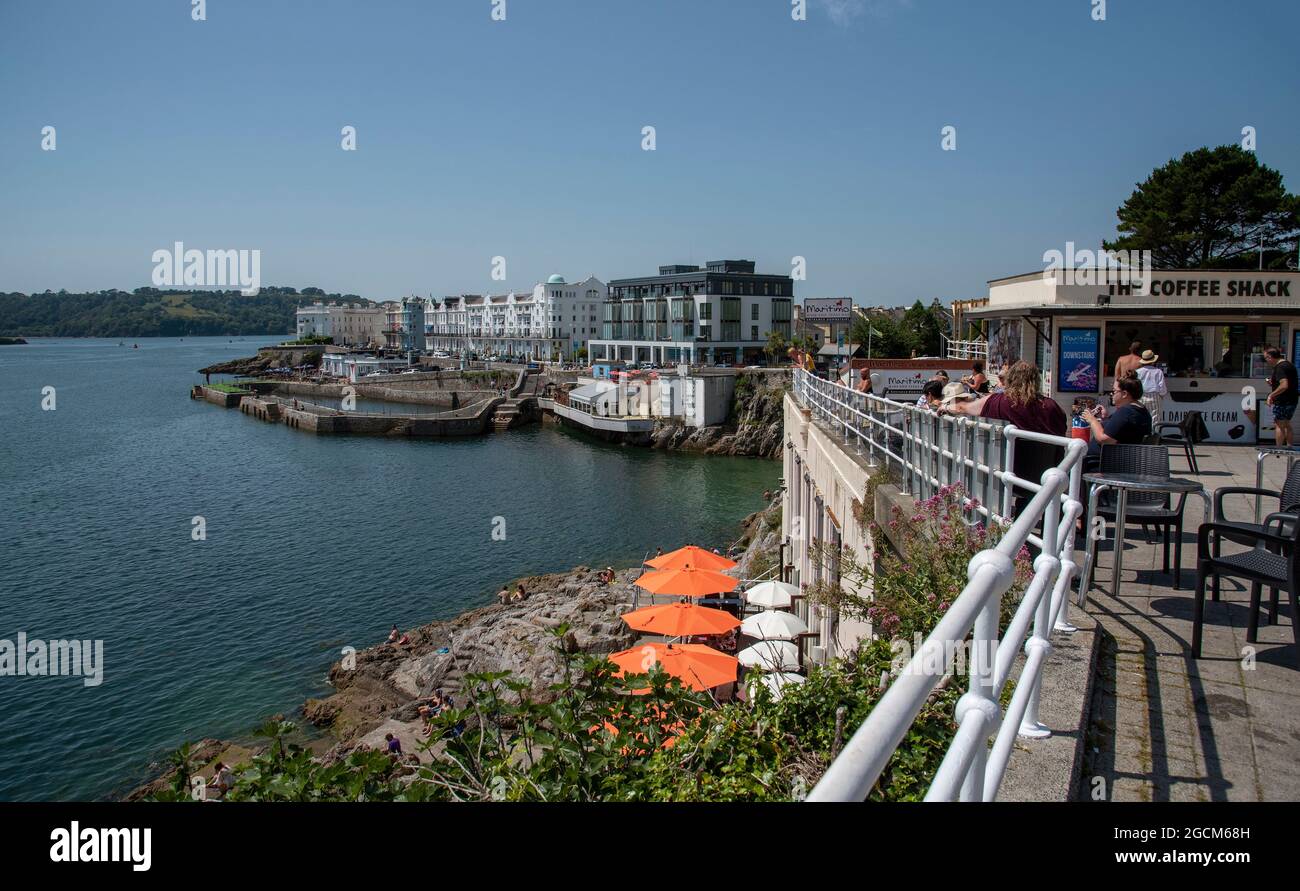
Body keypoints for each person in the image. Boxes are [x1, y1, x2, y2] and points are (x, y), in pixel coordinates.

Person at [945, 361, 1066, 517]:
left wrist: (945, 407)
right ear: (1036, 381)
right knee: (1033, 494)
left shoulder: (998, 401)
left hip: (1007, 469)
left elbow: (963, 408)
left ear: (1010, 379)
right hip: (1044, 473)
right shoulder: (1051, 406)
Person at [1081, 375, 1152, 471]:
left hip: (1102, 464)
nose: (1111, 394)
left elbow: (1104, 440)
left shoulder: (1126, 412)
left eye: (1114, 391)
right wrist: (1104, 419)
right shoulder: (1140, 410)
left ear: (1124, 394)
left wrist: (1092, 420)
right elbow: (1119, 432)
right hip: (1121, 462)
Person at [1266, 347, 1298, 449]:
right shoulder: (1289, 365)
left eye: (1266, 358)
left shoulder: (1279, 367)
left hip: (1283, 401)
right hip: (1292, 400)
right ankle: (1289, 447)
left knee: (1279, 424)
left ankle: (1278, 448)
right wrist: (1273, 382)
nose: (1266, 360)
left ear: (1270, 357)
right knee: (1287, 423)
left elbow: (1284, 385)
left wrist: (1271, 395)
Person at [1135, 350, 1167, 426]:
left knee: (1141, 418)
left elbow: (1135, 385)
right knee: (1155, 420)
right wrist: (1161, 395)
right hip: (1154, 396)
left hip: (1141, 396)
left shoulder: (1137, 372)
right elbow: (1162, 387)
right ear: (1153, 361)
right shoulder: (1158, 371)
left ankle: (1142, 436)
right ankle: (1153, 437)